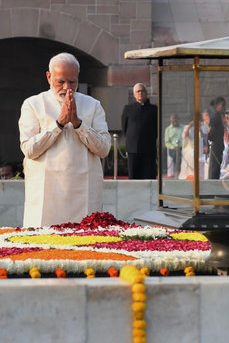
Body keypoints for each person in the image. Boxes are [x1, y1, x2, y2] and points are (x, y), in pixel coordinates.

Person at [19, 52, 110, 227]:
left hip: (83, 191)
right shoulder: (33, 104)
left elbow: (104, 149)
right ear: (48, 76)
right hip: (46, 192)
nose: (67, 87)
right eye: (60, 81)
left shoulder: (93, 105)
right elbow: (29, 150)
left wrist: (78, 124)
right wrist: (59, 124)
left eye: (72, 82)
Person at [121, 83, 158, 179]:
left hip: (149, 149)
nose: (140, 93)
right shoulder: (128, 109)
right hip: (133, 149)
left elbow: (157, 128)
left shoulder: (154, 109)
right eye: (138, 91)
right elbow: (124, 127)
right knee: (133, 176)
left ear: (146, 93)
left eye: (142, 91)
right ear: (134, 94)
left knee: (149, 175)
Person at [208, 96, 226, 179]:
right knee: (215, 166)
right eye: (222, 105)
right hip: (215, 145)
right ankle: (213, 182)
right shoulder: (215, 116)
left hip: (219, 144)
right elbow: (210, 131)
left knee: (218, 165)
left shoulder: (218, 116)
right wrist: (209, 142)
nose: (224, 107)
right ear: (217, 106)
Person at [164, 114, 182, 178]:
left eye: (176, 120)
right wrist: (172, 147)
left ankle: (179, 172)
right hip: (172, 148)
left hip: (181, 148)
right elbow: (166, 142)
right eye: (173, 120)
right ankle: (175, 172)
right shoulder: (168, 129)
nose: (174, 121)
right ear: (171, 121)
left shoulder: (182, 128)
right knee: (174, 155)